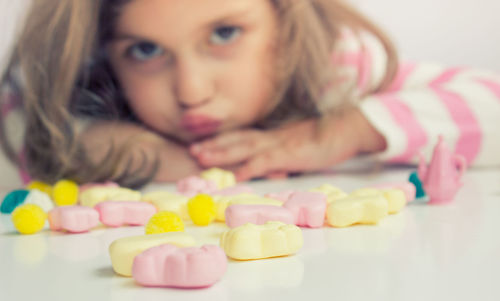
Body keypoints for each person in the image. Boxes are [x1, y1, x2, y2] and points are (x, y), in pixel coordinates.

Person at [1, 0, 499, 189]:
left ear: (285, 19)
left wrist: (343, 131)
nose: (192, 92)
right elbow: (18, 120)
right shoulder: (103, 92)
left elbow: (490, 99)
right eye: (146, 50)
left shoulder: (334, 73)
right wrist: (120, 149)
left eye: (223, 34)